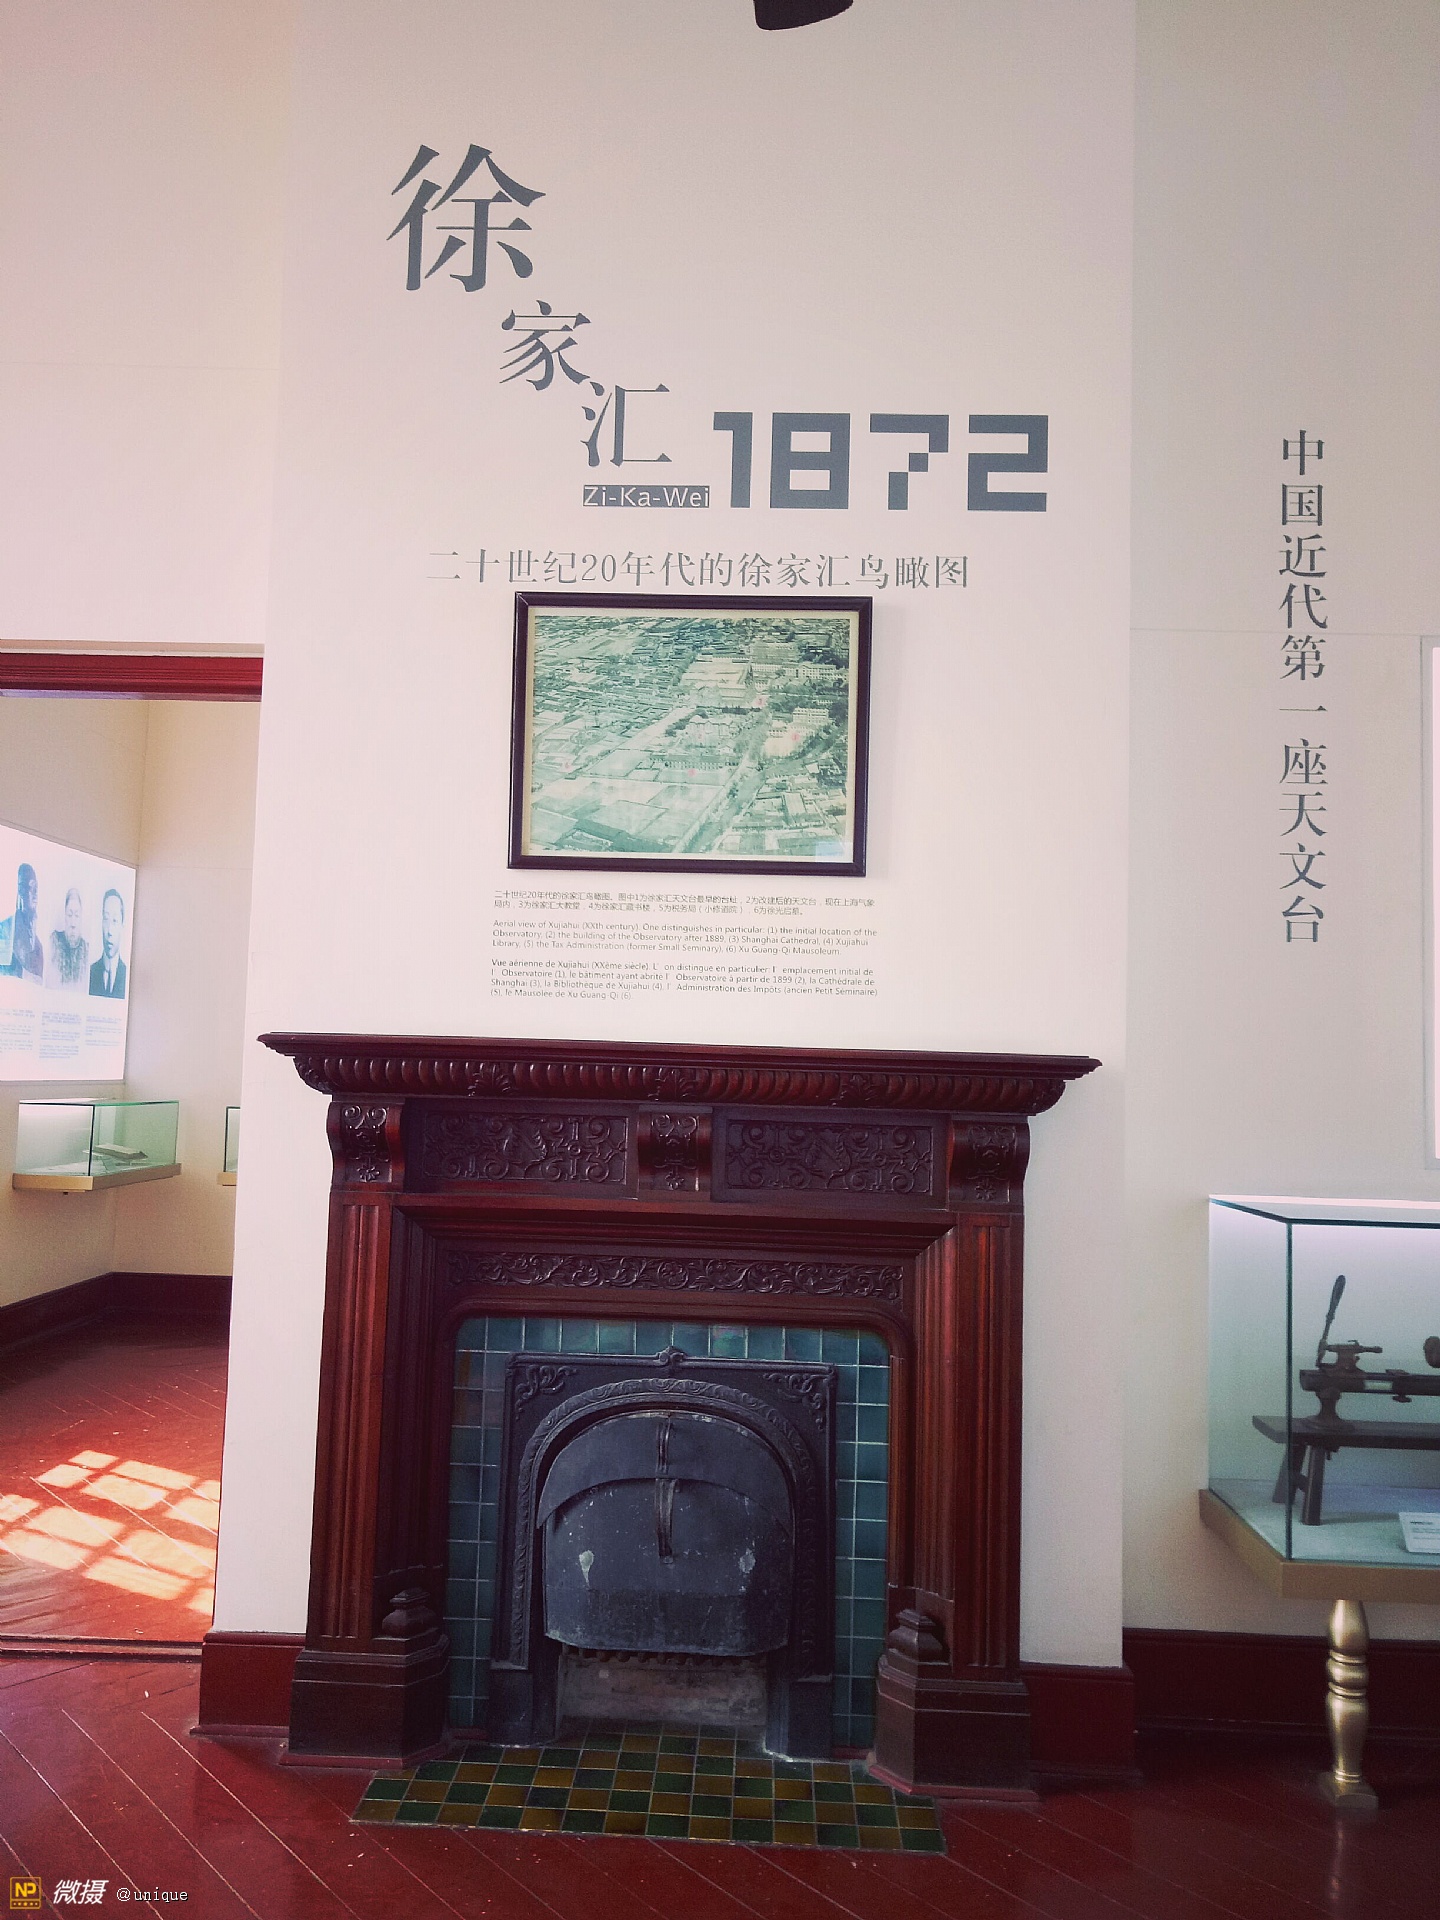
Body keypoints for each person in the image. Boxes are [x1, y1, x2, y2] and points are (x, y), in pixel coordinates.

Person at [0, 864, 44, 983]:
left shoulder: (38, 945)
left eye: (35, 888)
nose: (34, 895)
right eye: (28, 888)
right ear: (19, 892)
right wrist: (23, 974)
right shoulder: (4, 931)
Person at [88, 887, 127, 999]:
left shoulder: (127, 974)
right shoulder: (91, 972)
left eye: (115, 921)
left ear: (122, 926)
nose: (109, 931)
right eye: (106, 919)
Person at [48, 885, 89, 989]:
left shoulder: (86, 949)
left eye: (77, 916)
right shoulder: (54, 941)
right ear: (65, 916)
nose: (73, 923)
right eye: (70, 915)